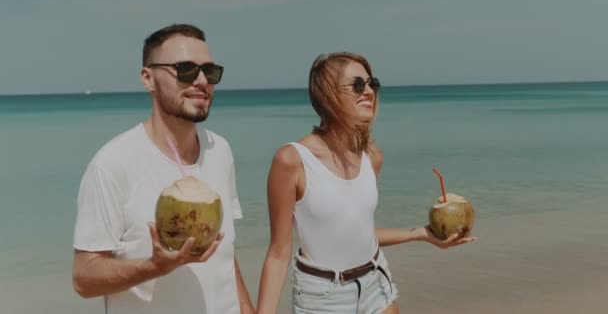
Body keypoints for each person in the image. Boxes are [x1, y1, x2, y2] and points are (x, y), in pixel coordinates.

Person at [256, 52, 476, 313]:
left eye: (373, 84)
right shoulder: (293, 160)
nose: (369, 91)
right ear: (328, 95)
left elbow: (356, 234)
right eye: (358, 85)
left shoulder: (371, 157)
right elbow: (279, 254)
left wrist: (420, 234)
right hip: (323, 297)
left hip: (376, 283)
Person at [72, 24, 254, 314]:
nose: (201, 81)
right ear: (148, 78)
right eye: (185, 69)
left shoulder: (220, 151)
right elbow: (84, 278)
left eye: (210, 71)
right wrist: (154, 267)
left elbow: (224, 254)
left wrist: (248, 308)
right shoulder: (113, 164)